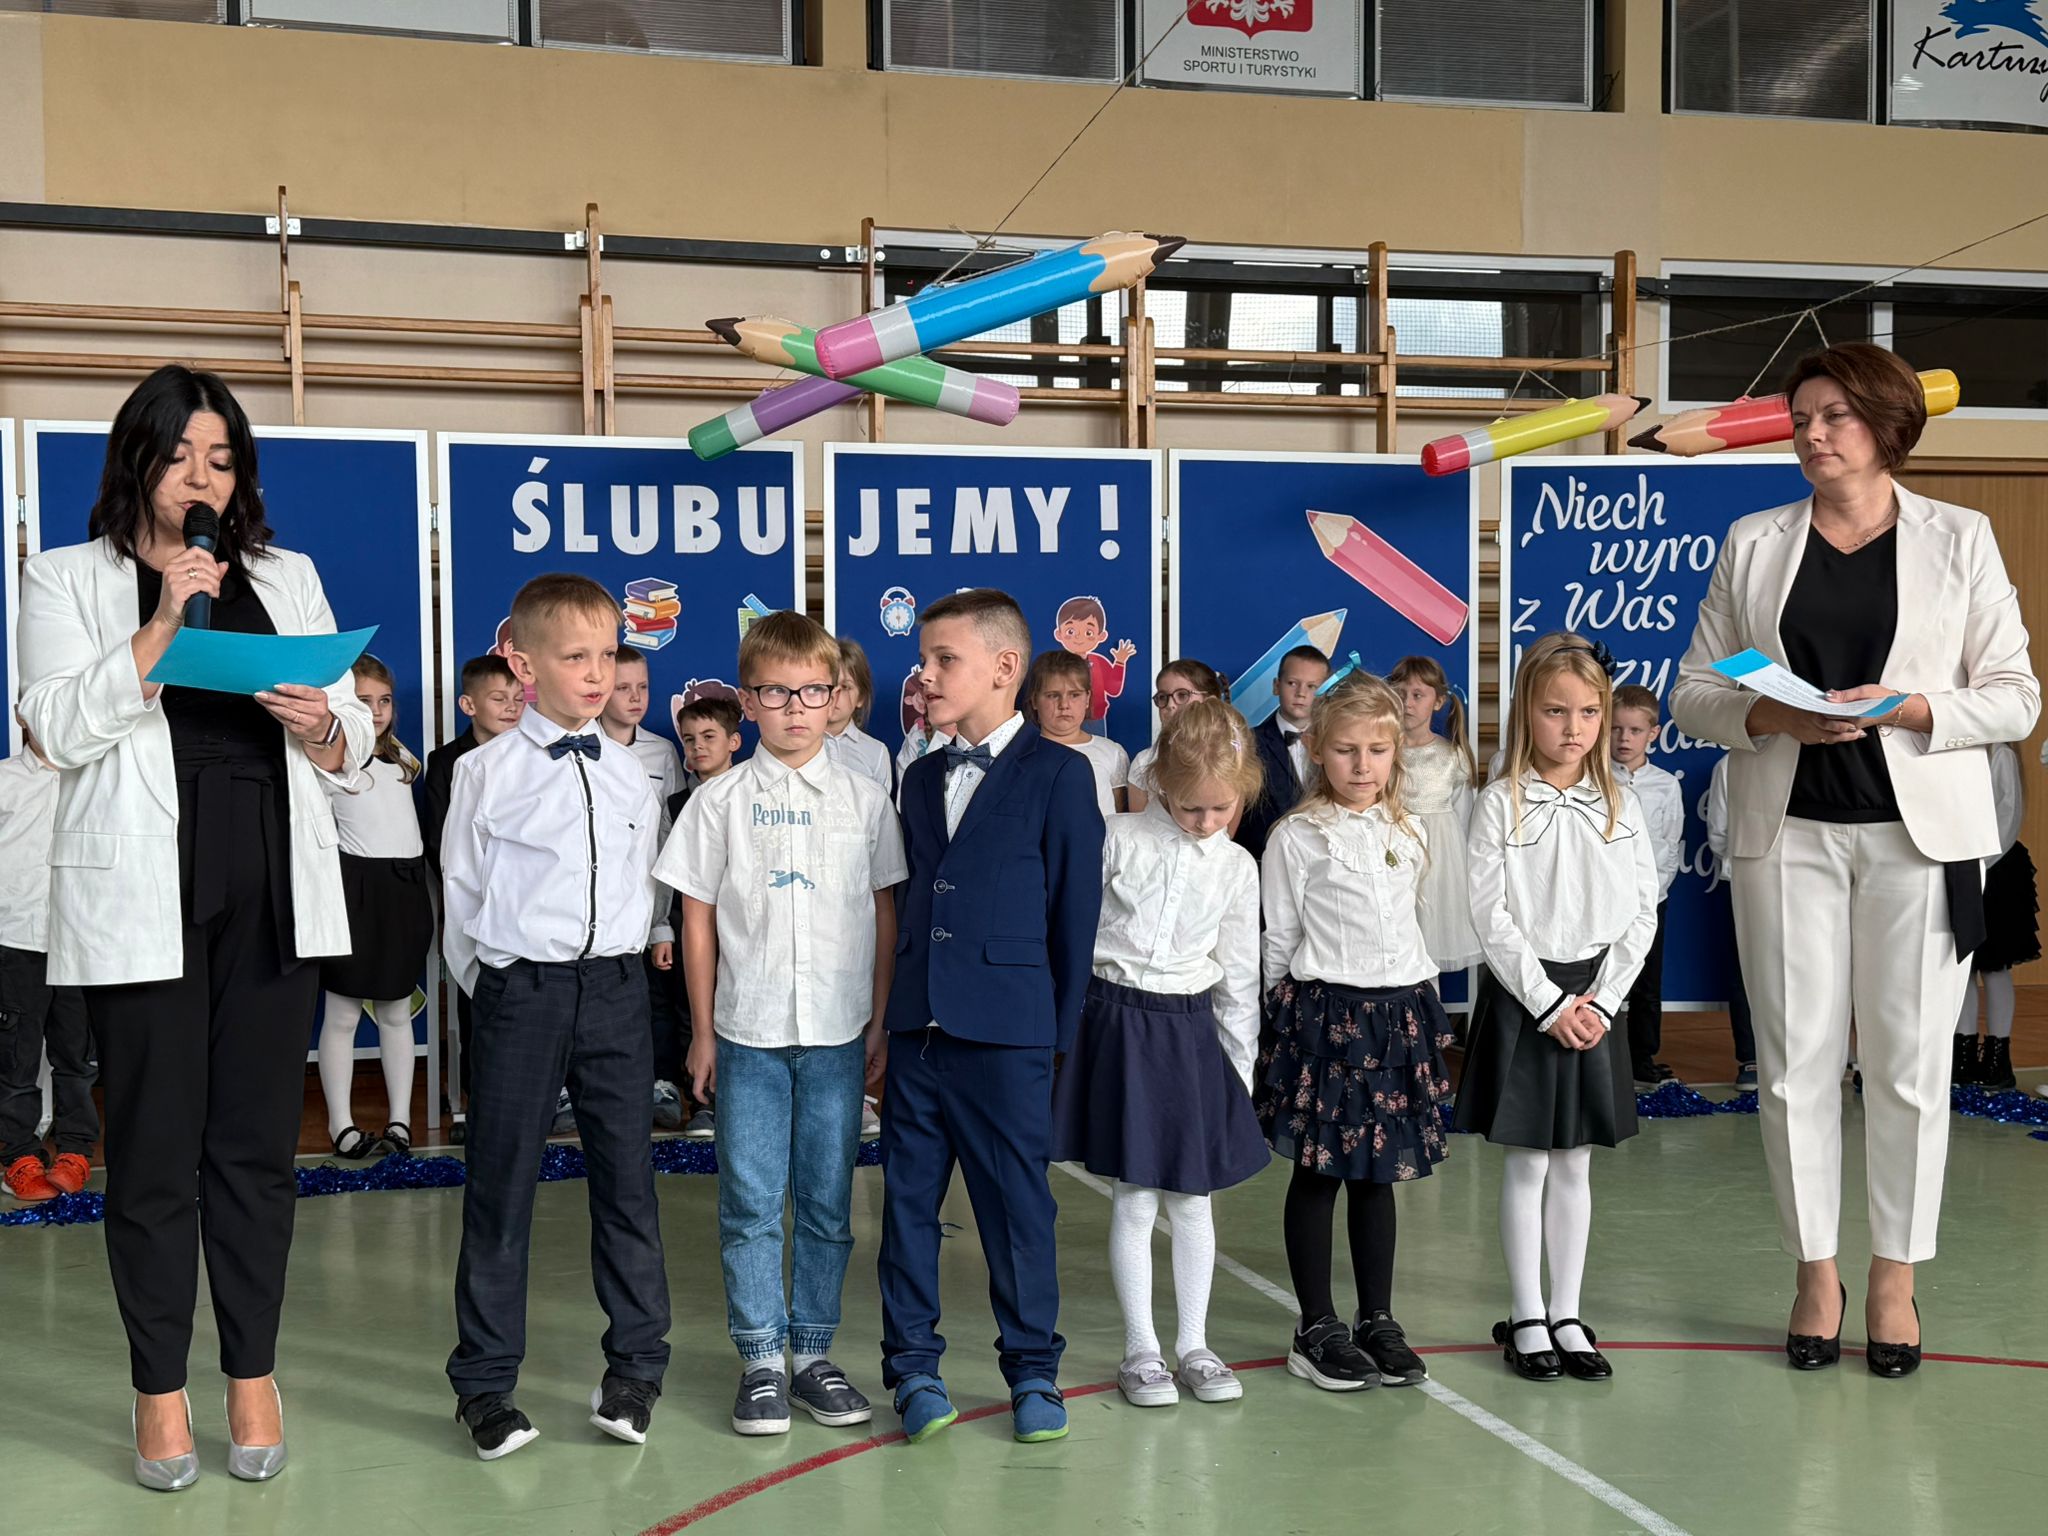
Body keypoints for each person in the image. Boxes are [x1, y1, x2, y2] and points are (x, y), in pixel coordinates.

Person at [17, 364, 373, 1489]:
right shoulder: (65, 577)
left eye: (220, 461)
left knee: (257, 1153)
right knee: (156, 1155)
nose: (200, 480)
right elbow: (53, 729)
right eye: (179, 458)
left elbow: (353, 736)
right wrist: (165, 620)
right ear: (138, 462)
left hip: (271, 883)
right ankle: (159, 1390)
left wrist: (324, 725)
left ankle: (253, 1374)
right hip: (144, 891)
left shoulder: (286, 573)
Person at [1670, 343, 2038, 1377]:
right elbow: (1694, 692)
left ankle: (1893, 1276)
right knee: (1793, 1068)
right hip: (1785, 833)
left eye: (1833, 415)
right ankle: (1814, 1272)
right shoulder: (1753, 541)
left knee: (1909, 1069)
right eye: (1800, 419)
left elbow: (2015, 696)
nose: (1812, 434)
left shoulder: (1959, 537)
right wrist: (1769, 714)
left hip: (1918, 842)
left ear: (1885, 425)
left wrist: (1910, 707)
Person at [441, 572, 669, 1458]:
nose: (597, 673)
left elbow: (643, 883)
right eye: (576, 656)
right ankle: (485, 1387)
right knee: (500, 1191)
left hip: (616, 994)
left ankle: (636, 1371)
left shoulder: (633, 775)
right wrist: (502, 987)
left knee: (628, 1186)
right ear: (523, 665)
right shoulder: (483, 773)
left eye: (607, 654)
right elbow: (462, 896)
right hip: (521, 993)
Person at [661, 611, 906, 1437]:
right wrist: (703, 1031)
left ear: (837, 697)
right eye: (775, 692)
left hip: (839, 1033)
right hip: (747, 1033)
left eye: (812, 691)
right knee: (751, 1201)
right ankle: (761, 1359)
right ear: (747, 701)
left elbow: (883, 914)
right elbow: (697, 920)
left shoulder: (866, 800)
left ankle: (812, 1354)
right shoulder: (718, 802)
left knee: (829, 1203)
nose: (796, 708)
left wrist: (878, 1021)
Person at [878, 588, 1104, 1446]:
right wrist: (892, 1020)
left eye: (945, 660)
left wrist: (1054, 1041)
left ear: (1006, 668)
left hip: (1010, 1035)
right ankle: (912, 1366)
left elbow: (1074, 920)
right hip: (919, 1029)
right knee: (906, 1206)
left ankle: (1034, 1370)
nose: (926, 675)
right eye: (924, 660)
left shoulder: (1061, 774)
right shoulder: (920, 776)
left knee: (1017, 1209)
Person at [1049, 698, 1267, 1409]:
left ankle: (1195, 1345)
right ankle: (1141, 1349)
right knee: (1137, 1194)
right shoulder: (1116, 839)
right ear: (1163, 785)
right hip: (1117, 1025)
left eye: (1221, 810)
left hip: (1191, 1033)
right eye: (1192, 808)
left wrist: (1237, 1072)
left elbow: (1240, 976)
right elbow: (1074, 937)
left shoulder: (1236, 867)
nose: (1205, 822)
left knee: (1193, 1198)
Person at [1457, 633, 1659, 1385]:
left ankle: (1568, 1314)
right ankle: (1527, 1314)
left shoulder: (1622, 803)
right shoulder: (1498, 802)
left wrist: (1603, 1003)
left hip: (1598, 999)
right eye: (1555, 711)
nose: (1574, 728)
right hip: (1528, 998)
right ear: (1526, 715)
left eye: (1588, 712)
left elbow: (1642, 910)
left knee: (1575, 1163)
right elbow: (1490, 914)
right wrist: (1549, 1004)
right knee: (1529, 1162)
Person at [1257, 675, 1455, 1393]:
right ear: (1316, 749)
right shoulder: (1296, 837)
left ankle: (1378, 1318)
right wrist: (1277, 1029)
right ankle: (1315, 1325)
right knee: (1318, 1173)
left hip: (1398, 1018)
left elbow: (1412, 925)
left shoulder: (1409, 830)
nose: (1362, 765)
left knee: (1381, 1177)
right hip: (1325, 1018)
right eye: (1345, 750)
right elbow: (1279, 940)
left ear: (1395, 752)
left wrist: (1425, 1015)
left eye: (1377, 750)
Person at [316, 655, 434, 1159]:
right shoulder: (330, 759)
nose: (377, 710)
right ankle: (341, 1124)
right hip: (356, 888)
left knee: (396, 1010)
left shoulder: (403, 758)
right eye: (364, 702)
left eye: (384, 700)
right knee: (343, 1013)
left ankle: (400, 1121)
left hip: (405, 888)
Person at [419, 652, 523, 1134]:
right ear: (469, 705)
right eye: (499, 698)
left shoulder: (535, 756)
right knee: (475, 1003)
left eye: (518, 698)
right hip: (473, 907)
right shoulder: (447, 763)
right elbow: (440, 842)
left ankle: (535, 1102)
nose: (511, 707)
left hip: (528, 906)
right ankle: (478, 1103)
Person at [0, 719, 98, 1204]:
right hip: (16, 940)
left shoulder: (96, 782)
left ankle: (76, 1149)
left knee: (77, 1057)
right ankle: (17, 1154)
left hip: (81, 942)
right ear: (23, 713)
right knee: (15, 1058)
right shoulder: (4, 781)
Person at [600, 647, 681, 1135]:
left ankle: (662, 1083)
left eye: (643, 687)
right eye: (623, 688)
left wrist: (661, 920)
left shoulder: (662, 752)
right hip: (597, 905)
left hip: (650, 903)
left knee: (655, 998)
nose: (635, 698)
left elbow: (671, 836)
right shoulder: (580, 746)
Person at [664, 694, 746, 1139]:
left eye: (709, 736)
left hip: (742, 923)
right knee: (689, 1007)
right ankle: (702, 1100)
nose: (698, 747)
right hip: (689, 921)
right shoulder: (676, 803)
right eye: (689, 739)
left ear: (734, 741)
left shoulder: (753, 794)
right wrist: (662, 927)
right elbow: (666, 878)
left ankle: (741, 1096)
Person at [1609, 684, 1685, 1089]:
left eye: (1635, 730)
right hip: (1604, 899)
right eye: (1616, 729)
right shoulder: (1595, 779)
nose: (1624, 739)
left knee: (1646, 983)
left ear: (1652, 733)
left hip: (1650, 900)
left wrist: (1652, 895)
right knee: (1600, 978)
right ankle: (1598, 1057)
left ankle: (1642, 1058)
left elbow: (1670, 844)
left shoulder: (1665, 785)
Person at [1389, 655, 1480, 977]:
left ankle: (1428, 1004)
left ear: (1438, 702)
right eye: (1400, 694)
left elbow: (1465, 818)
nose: (1407, 703)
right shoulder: (1381, 751)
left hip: (1440, 858)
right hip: (1394, 851)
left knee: (1428, 939)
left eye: (1418, 695)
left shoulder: (1452, 755)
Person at [1955, 742, 2034, 1091]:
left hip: (1996, 870)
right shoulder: (1959, 754)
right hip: (1964, 867)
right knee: (1964, 966)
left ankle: (1998, 1057)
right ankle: (1963, 1052)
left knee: (1994, 966)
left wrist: (1979, 865)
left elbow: (2007, 815)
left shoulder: (2000, 754)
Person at [1236, 645, 1331, 862]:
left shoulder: (1338, 744)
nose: (1301, 693)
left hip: (1324, 864)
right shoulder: (1248, 743)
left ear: (1326, 692)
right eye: (1292, 683)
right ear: (1276, 686)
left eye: (1312, 686)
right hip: (1265, 862)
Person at [1703, 756, 1759, 1087]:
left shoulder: (1805, 757)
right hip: (1743, 881)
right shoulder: (1729, 764)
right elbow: (1719, 833)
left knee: (1799, 970)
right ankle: (1750, 1058)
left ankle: (1797, 1058)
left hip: (1803, 884)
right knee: (1744, 971)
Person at [1026, 648, 1130, 816]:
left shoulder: (1112, 752)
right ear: (1035, 700)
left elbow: (1120, 816)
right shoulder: (1019, 753)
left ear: (1087, 698)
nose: (1064, 705)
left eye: (1074, 695)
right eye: (1053, 695)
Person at [1127, 659, 1227, 814]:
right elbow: (1137, 822)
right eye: (1163, 697)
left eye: (1182, 695)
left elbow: (1227, 826)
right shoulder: (1144, 761)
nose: (1170, 705)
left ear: (1210, 701)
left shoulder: (1229, 756)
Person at [823, 638, 896, 794]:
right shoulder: (798, 743)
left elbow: (881, 807)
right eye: (828, 686)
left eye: (845, 687)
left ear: (861, 697)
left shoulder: (876, 752)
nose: (834, 694)